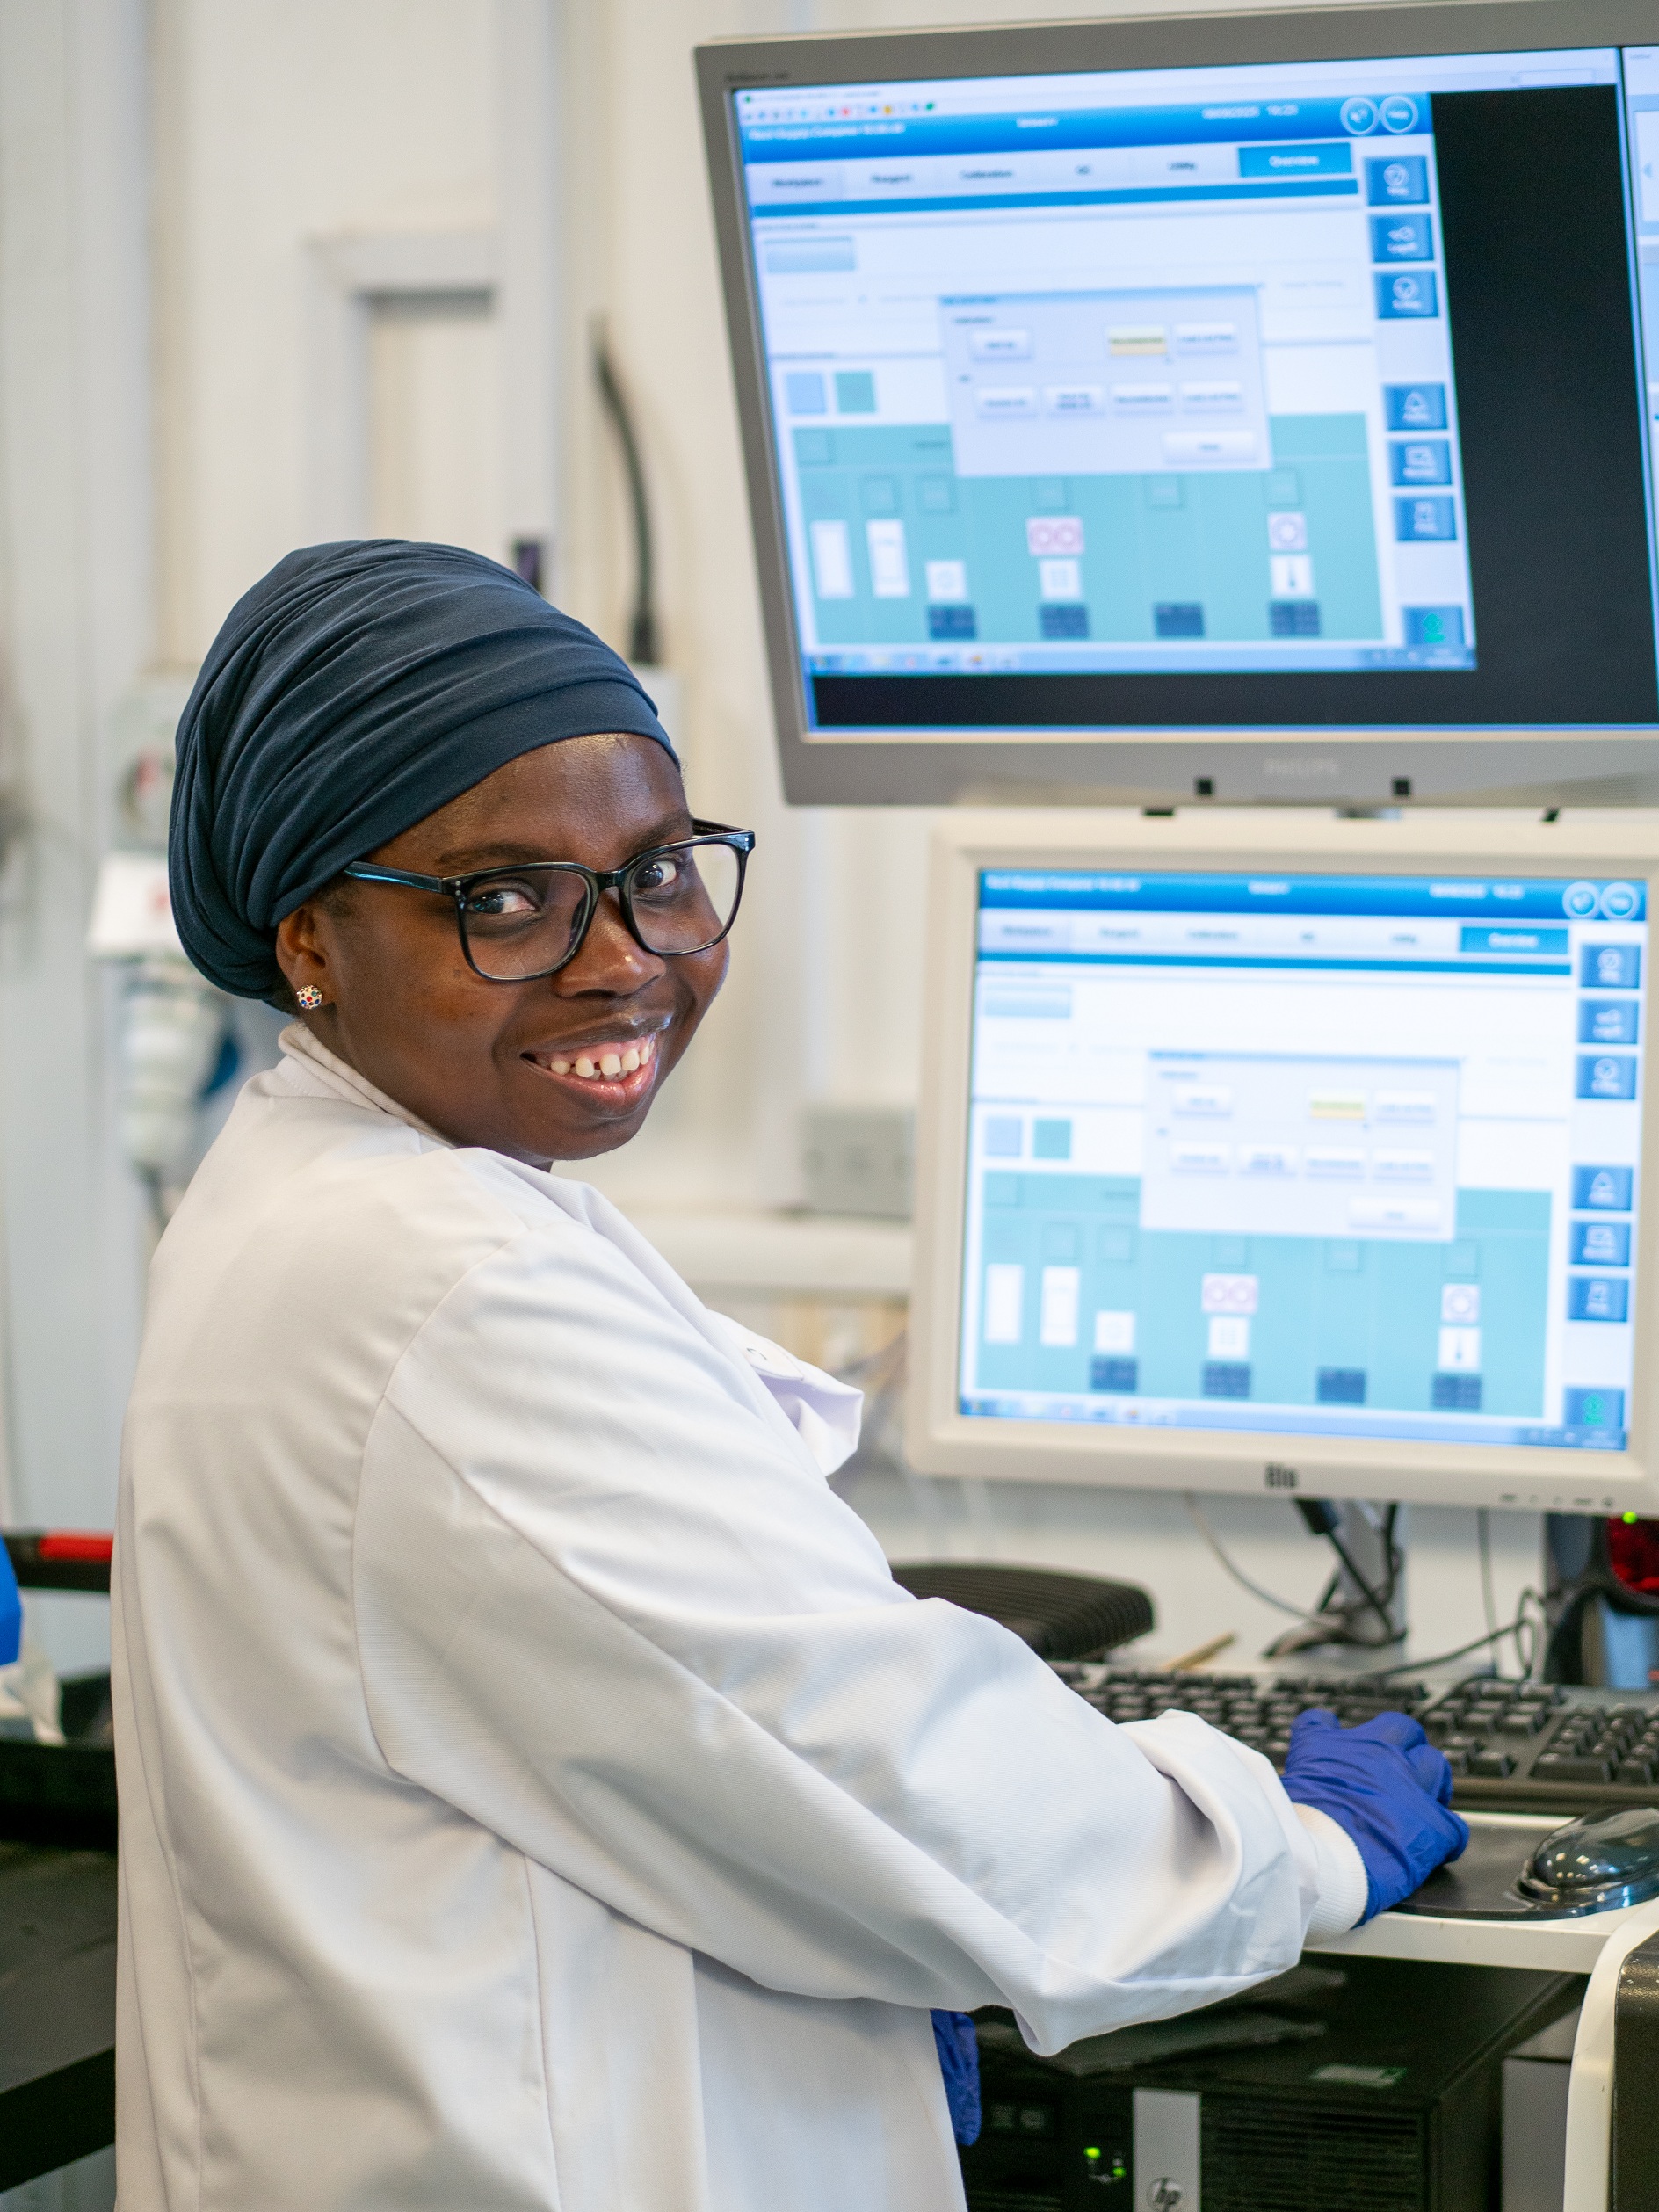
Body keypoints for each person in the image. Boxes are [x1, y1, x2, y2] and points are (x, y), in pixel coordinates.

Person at [113, 540, 1467, 2212]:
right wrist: (1284, 1843)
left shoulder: (332, 1203)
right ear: (310, 934)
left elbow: (673, 1726)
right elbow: (877, 1766)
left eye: (660, 871)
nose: (622, 956)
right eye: (505, 897)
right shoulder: (436, 1284)